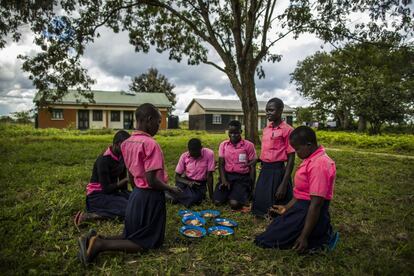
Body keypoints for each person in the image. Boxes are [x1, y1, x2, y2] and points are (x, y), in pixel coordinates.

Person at [77, 103, 182, 264]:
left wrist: (136, 196)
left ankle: (95, 238)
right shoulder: (151, 144)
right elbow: (152, 181)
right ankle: (100, 244)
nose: (159, 126)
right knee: (147, 241)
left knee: (133, 233)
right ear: (149, 120)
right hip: (150, 196)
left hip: (137, 194)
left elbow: (132, 176)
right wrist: (171, 188)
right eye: (158, 121)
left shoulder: (127, 143)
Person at [254, 126, 339, 252]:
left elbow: (316, 205)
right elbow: (301, 193)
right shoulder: (310, 158)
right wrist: (286, 208)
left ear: (309, 145)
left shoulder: (320, 164)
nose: (296, 153)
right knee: (272, 229)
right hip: (302, 207)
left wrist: (303, 237)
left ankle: (321, 238)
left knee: (266, 241)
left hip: (310, 211)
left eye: (297, 149)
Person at [73, 130, 131, 230]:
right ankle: (92, 216)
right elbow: (106, 189)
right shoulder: (103, 160)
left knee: (135, 200)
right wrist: (126, 180)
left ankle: (120, 204)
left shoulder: (122, 156)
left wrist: (127, 195)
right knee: (129, 209)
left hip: (111, 193)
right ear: (117, 144)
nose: (128, 149)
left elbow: (122, 182)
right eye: (126, 146)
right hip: (97, 197)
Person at [252, 98, 295, 217]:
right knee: (260, 208)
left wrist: (284, 183)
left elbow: (291, 158)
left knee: (275, 208)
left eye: (271, 110)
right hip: (265, 170)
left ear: (280, 110)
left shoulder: (288, 130)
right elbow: (269, 151)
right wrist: (259, 159)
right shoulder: (266, 129)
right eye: (266, 110)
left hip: (278, 172)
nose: (268, 113)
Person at [213, 120, 257, 210]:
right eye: (231, 133)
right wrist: (224, 180)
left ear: (241, 132)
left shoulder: (249, 145)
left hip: (242, 178)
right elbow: (221, 164)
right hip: (228, 177)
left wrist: (252, 187)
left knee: (234, 204)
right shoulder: (223, 145)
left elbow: (252, 167)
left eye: (236, 133)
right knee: (217, 202)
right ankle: (231, 192)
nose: (233, 135)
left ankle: (239, 193)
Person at [172, 138, 215, 207]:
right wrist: (188, 183)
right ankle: (181, 197)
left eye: (196, 153)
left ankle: (175, 197)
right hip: (186, 181)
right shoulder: (184, 156)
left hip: (199, 184)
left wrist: (211, 196)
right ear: (188, 149)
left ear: (201, 148)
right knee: (181, 189)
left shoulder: (209, 154)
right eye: (191, 152)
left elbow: (209, 176)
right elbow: (177, 177)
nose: (194, 155)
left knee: (193, 199)